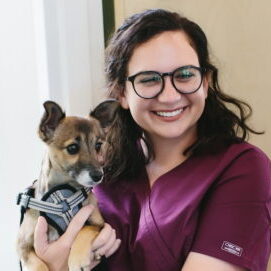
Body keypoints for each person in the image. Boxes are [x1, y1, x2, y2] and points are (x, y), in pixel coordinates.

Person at [35, 9, 271, 271]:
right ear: (121, 93)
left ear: (205, 82)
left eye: (184, 75)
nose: (169, 96)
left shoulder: (242, 169)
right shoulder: (101, 177)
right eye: (149, 79)